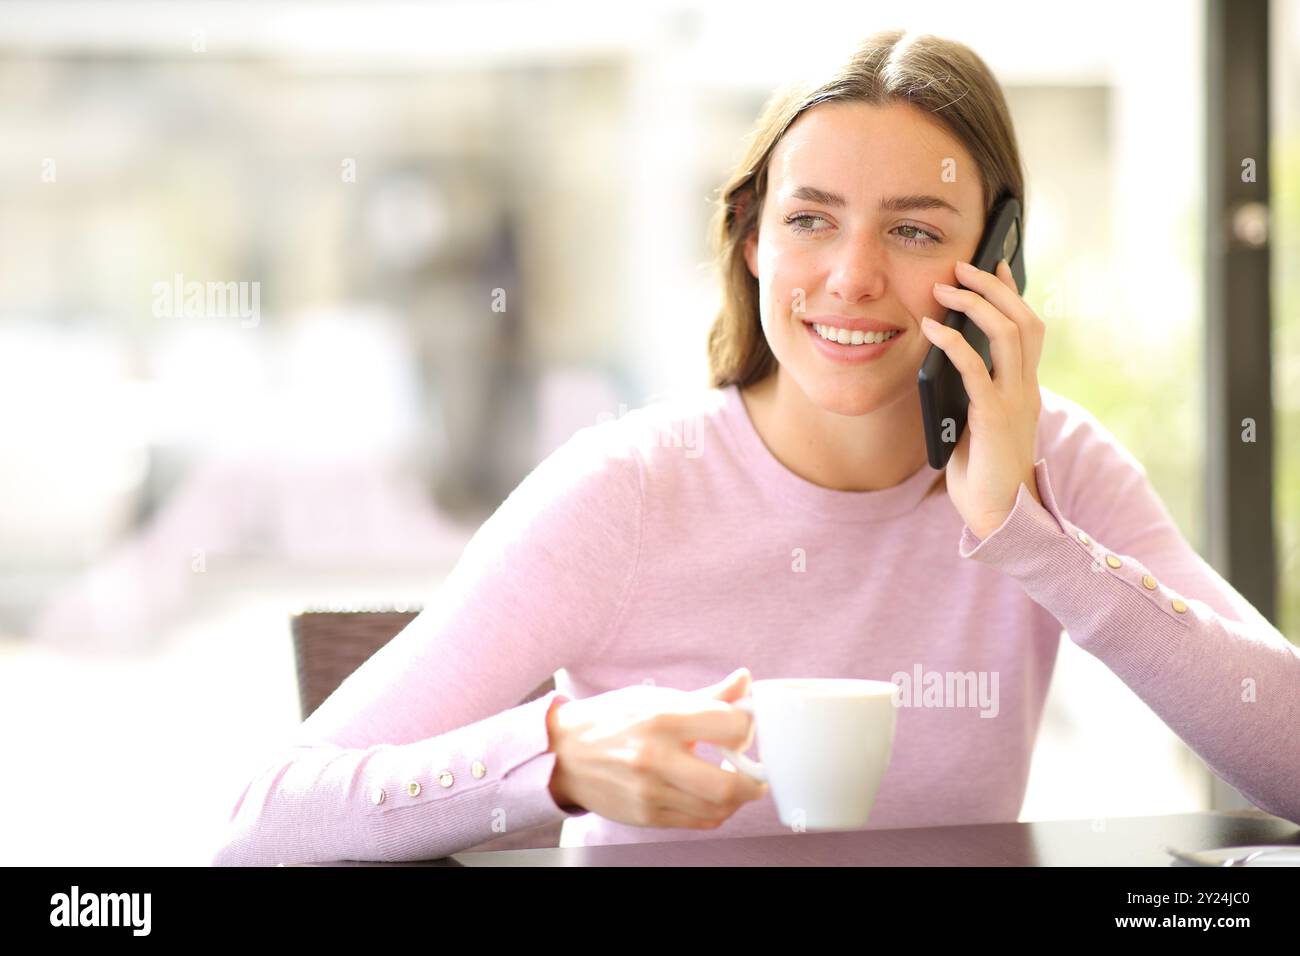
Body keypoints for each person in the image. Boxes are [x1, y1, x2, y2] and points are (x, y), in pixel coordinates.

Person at [210, 30, 1300, 866]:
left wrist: (1029, 536)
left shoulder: (1054, 467)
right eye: (810, 218)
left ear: (996, 263)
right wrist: (554, 760)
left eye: (916, 229)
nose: (851, 275)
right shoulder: (625, 491)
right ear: (749, 235)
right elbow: (261, 820)